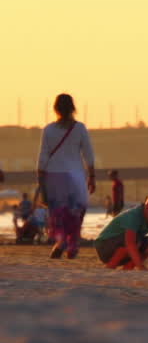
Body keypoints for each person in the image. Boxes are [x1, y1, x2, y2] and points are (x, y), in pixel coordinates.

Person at [37, 93, 96, 260]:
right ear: (73, 108)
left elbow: (43, 156)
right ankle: (72, 244)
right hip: (75, 176)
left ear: (55, 109)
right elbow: (88, 154)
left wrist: (40, 176)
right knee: (76, 212)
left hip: (54, 176)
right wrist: (92, 176)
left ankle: (61, 241)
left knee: (57, 213)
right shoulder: (80, 128)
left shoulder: (48, 130)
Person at [95, 188, 148, 270]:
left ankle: (128, 267)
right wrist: (140, 266)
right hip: (104, 247)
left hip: (125, 246)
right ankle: (111, 266)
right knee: (136, 240)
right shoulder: (134, 216)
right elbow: (130, 243)